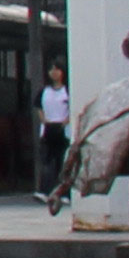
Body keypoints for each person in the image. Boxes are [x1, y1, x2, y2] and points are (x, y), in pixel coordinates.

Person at [36, 61, 74, 204]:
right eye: (51, 69)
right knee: (46, 162)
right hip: (48, 129)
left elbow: (73, 106)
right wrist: (43, 119)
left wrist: (67, 120)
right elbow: (38, 106)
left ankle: (64, 194)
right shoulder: (44, 91)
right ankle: (44, 191)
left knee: (63, 163)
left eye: (57, 69)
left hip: (63, 130)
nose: (54, 72)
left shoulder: (67, 90)